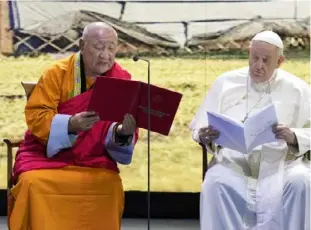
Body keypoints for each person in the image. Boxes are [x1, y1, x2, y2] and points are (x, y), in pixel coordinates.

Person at [8, 22, 139, 230]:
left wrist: (123, 132)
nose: (105, 55)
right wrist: (69, 124)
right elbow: (37, 115)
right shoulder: (57, 73)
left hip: (93, 158)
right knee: (32, 183)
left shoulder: (121, 80)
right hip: (46, 156)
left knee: (110, 185)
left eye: (111, 47)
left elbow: (115, 127)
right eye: (98, 47)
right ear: (82, 45)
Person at [190, 30, 310, 230]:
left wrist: (294, 136)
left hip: (282, 164)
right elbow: (200, 127)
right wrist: (204, 135)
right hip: (235, 164)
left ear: (280, 61)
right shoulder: (225, 83)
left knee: (301, 181)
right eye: (254, 58)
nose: (258, 66)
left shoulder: (298, 88)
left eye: (266, 60)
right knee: (215, 183)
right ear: (249, 53)